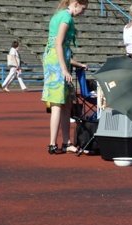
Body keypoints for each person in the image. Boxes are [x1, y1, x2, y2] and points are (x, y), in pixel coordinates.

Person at [41, 0, 89, 155]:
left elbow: (61, 47)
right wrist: (64, 69)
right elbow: (58, 44)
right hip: (57, 64)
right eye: (83, 8)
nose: (83, 11)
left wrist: (77, 64)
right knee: (57, 103)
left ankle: (66, 142)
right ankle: (52, 144)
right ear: (76, 3)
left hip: (59, 61)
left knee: (67, 103)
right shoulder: (66, 17)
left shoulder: (60, 15)